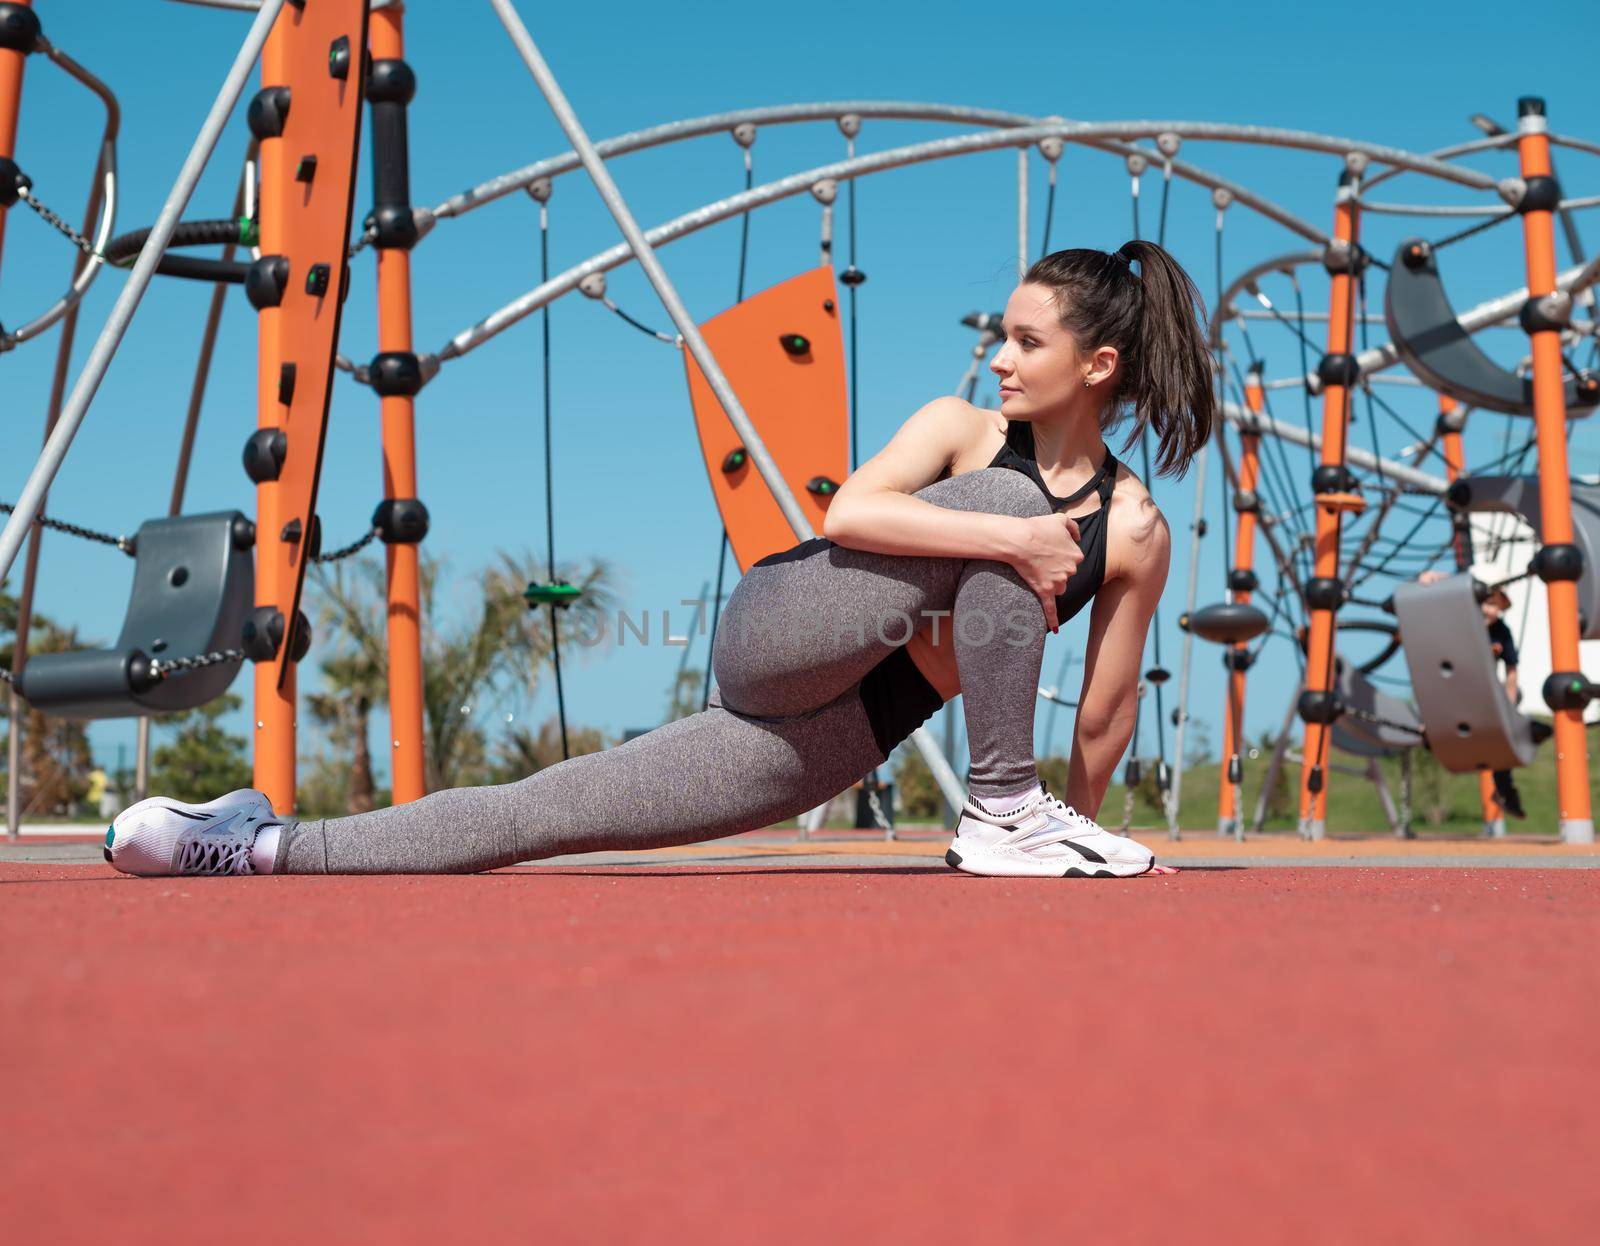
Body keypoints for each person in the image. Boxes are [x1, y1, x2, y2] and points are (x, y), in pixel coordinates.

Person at [106, 241, 1212, 880]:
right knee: (1012, 511)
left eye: (1028, 342)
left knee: (540, 814)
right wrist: (1013, 536)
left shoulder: (1136, 530)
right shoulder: (964, 432)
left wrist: (1085, 836)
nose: (1001, 357)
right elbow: (854, 516)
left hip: (842, 726)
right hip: (787, 625)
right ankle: (1001, 807)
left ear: (1099, 363)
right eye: (1002, 335)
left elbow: (1106, 711)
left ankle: (250, 844)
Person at [1418, 573, 1526, 818]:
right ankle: (1431, 728)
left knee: (1502, 738)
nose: (1490, 611)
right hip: (1455, 687)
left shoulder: (1501, 632)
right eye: (1487, 604)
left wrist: (1510, 705)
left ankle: (1504, 788)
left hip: (1486, 693)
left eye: (1496, 606)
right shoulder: (1462, 620)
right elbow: (1450, 593)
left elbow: (1511, 671)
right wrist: (1435, 578)